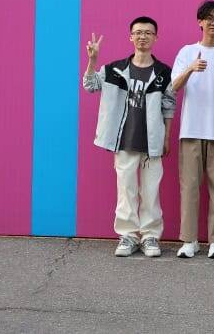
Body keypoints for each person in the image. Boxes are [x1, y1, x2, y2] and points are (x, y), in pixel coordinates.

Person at [82, 17, 176, 258]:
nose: (143, 36)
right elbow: (90, 85)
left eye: (148, 32)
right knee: (126, 190)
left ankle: (150, 236)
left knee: (151, 191)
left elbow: (169, 105)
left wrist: (166, 137)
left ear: (156, 37)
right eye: (138, 32)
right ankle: (128, 235)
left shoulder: (163, 72)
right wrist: (93, 60)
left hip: (152, 141)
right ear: (130, 37)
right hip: (124, 140)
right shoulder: (114, 70)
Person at [172, 0, 214, 259]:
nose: (213, 22)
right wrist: (190, 69)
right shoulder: (187, 52)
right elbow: (173, 87)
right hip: (191, 130)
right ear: (199, 22)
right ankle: (189, 240)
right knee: (189, 188)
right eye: (208, 18)